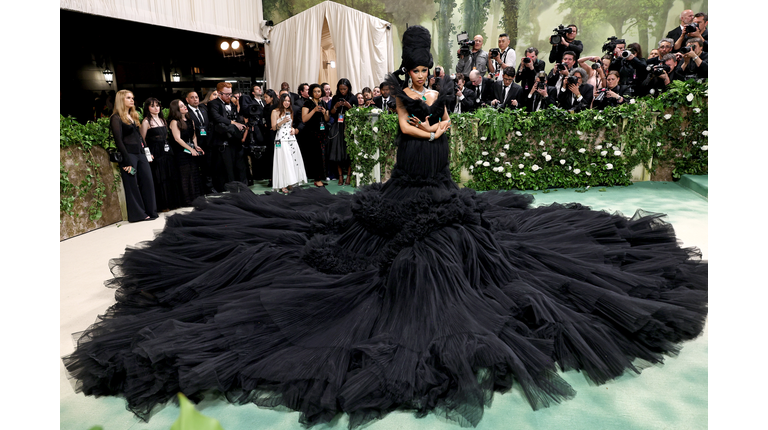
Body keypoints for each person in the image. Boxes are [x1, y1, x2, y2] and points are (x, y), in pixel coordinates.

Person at [63, 25, 707, 430]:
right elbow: (405, 126)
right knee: (365, 247)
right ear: (410, 65)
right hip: (409, 172)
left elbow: (445, 122)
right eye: (419, 66)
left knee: (471, 241)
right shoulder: (402, 90)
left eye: (428, 67)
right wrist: (423, 124)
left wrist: (436, 123)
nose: (424, 72)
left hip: (438, 171)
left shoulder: (445, 89)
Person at [109, 90, 158, 222]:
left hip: (140, 153)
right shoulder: (116, 118)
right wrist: (126, 161)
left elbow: (140, 138)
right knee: (132, 185)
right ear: (121, 100)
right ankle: (138, 215)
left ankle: (151, 211)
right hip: (129, 154)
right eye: (128, 98)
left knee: (148, 181)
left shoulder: (133, 115)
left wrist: (147, 152)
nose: (132, 100)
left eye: (132, 98)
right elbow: (118, 141)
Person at [141, 98, 182, 211]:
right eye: (153, 106)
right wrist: (148, 154)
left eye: (158, 105)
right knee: (160, 177)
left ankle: (173, 202)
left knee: (170, 175)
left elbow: (166, 136)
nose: (156, 108)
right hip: (155, 151)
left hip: (167, 150)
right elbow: (142, 140)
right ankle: (163, 205)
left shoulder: (163, 120)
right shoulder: (146, 121)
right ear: (147, 108)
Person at [208, 82, 248, 188]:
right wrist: (234, 123)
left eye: (231, 94)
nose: (229, 97)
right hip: (223, 141)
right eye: (227, 94)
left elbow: (236, 117)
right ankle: (231, 190)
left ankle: (243, 188)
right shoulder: (214, 104)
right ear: (219, 93)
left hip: (235, 140)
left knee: (240, 166)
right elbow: (217, 118)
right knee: (227, 168)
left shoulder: (231, 104)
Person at [168, 99, 204, 206]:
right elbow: (177, 139)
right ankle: (187, 200)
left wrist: (196, 146)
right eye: (181, 106)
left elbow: (193, 135)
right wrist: (190, 149)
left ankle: (196, 197)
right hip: (181, 152)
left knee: (194, 173)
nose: (185, 107)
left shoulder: (190, 120)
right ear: (176, 109)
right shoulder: (175, 122)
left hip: (191, 150)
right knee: (185, 176)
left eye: (184, 105)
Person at [271, 93, 307, 193]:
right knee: (283, 160)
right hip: (281, 138)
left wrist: (292, 129)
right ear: (281, 101)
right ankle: (283, 184)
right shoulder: (275, 112)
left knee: (292, 159)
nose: (287, 103)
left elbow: (290, 125)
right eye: (285, 100)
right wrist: (282, 122)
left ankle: (291, 182)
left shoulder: (290, 111)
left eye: (288, 101)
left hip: (291, 138)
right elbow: (274, 127)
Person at [327, 79, 356, 185]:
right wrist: (336, 106)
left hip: (349, 127)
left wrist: (349, 107)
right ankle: (340, 177)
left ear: (348, 88)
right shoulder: (335, 97)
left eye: (344, 89)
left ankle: (348, 176)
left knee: (349, 152)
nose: (343, 91)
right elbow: (332, 113)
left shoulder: (353, 98)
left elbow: (356, 113)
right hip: (338, 127)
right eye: (341, 89)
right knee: (337, 152)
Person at [186, 91, 216, 194]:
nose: (195, 99)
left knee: (208, 166)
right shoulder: (187, 112)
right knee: (197, 168)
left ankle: (209, 187)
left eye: (197, 97)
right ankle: (201, 189)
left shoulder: (204, 109)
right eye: (192, 97)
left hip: (207, 142)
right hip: (195, 143)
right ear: (187, 100)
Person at [300, 83, 329, 187]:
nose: (317, 93)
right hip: (311, 133)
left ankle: (321, 177)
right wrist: (314, 110)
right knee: (315, 157)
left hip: (322, 133)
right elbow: (304, 119)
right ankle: (316, 179)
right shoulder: (307, 103)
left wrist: (325, 112)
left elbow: (326, 119)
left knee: (322, 156)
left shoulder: (323, 103)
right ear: (311, 92)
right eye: (315, 91)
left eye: (319, 91)